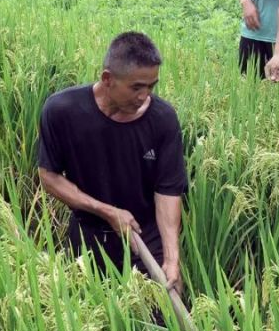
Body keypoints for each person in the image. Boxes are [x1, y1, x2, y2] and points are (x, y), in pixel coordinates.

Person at [37, 32, 188, 290]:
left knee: (162, 314)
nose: (144, 96)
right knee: (87, 313)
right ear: (108, 79)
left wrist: (172, 258)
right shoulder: (62, 111)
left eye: (151, 86)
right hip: (89, 232)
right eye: (136, 87)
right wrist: (107, 212)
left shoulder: (162, 119)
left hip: (144, 235)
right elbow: (48, 177)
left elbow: (168, 191)